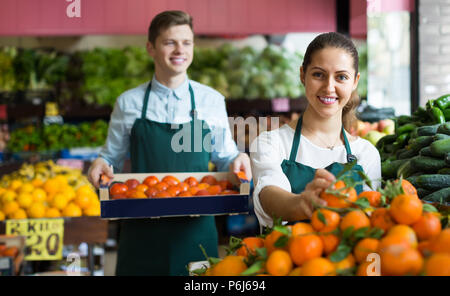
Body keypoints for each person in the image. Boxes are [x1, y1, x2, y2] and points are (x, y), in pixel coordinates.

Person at [87, 10, 251, 276]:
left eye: (186, 42)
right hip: (141, 227)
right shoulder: (128, 102)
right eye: (169, 42)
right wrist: (100, 163)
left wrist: (238, 160)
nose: (180, 50)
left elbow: (225, 157)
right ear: (151, 48)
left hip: (195, 229)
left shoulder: (211, 100)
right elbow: (111, 157)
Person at [250, 32, 381, 228]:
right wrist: (301, 203)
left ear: (355, 81)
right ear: (303, 75)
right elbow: (268, 194)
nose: (329, 87)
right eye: (318, 74)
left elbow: (371, 218)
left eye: (341, 77)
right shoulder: (271, 143)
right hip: (285, 256)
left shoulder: (366, 153)